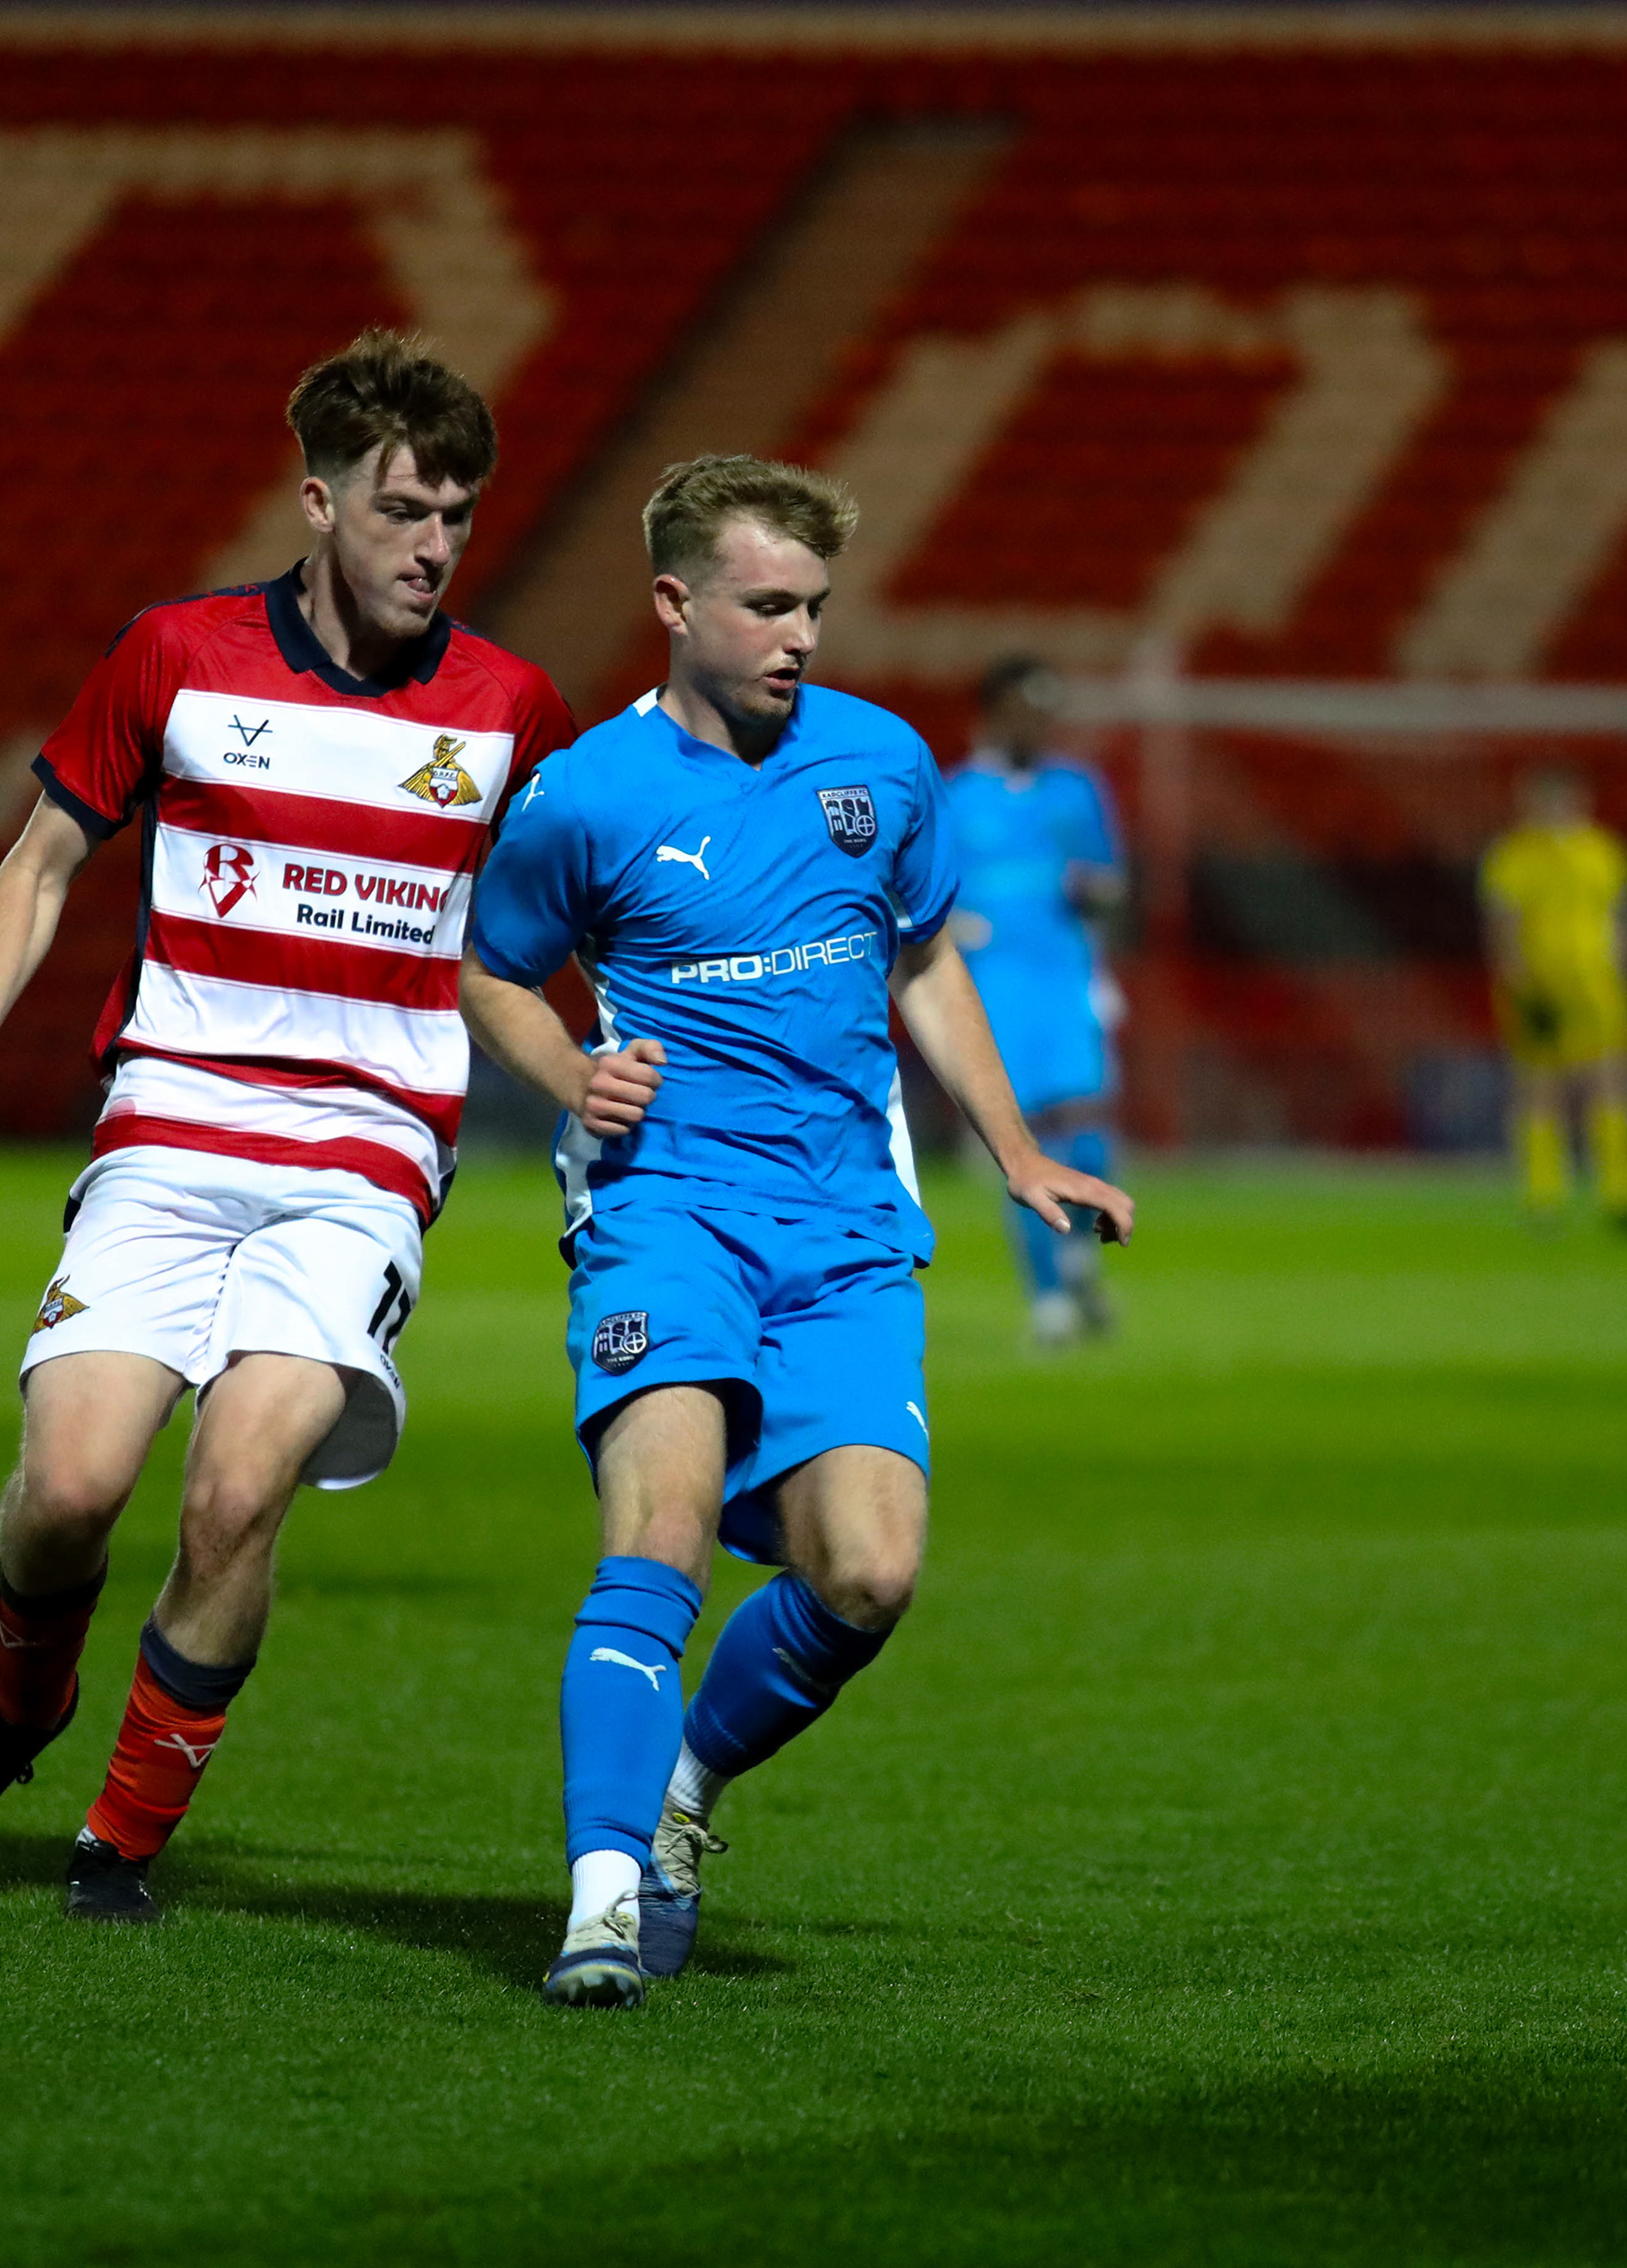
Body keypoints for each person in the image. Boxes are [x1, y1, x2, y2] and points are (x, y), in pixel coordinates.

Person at [0, 332, 575, 1922]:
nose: (435, 544)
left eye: (457, 514)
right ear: (316, 500)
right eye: (404, 508)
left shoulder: (515, 710)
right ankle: (28, 1709)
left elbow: (546, 939)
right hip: (172, 1124)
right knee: (67, 1492)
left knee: (237, 1490)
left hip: (367, 1153)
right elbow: (43, 860)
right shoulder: (174, 656)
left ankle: (118, 1836)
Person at [461, 455, 1136, 2008]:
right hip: (664, 1210)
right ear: (674, 604)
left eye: (817, 607)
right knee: (661, 1530)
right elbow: (493, 968)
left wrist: (1020, 1150)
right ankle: (603, 1894)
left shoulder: (883, 766)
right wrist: (572, 1069)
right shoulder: (585, 794)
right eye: (770, 604)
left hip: (842, 1231)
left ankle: (686, 1791)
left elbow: (920, 966)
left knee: (870, 1576)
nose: (801, 636)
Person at [943, 655, 1128, 1341]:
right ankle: (1048, 1297)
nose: (1036, 724)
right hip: (996, 990)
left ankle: (1076, 1249)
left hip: (1066, 978)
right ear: (993, 712)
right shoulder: (956, 797)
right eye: (1024, 708)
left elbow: (1111, 881)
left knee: (1090, 1134)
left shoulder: (1077, 791)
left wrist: (1097, 893)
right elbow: (925, 895)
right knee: (1023, 1139)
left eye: (1044, 712)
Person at [1478, 765, 1627, 1231]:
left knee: (1612, 1084)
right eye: (1540, 802)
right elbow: (1502, 926)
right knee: (1539, 1089)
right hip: (1539, 984)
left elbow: (1622, 918)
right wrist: (1516, 980)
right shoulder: (1514, 856)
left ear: (1580, 801)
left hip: (1599, 983)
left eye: (1559, 800)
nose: (1550, 811)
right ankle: (1543, 1200)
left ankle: (1622, 1198)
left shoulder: (1604, 851)